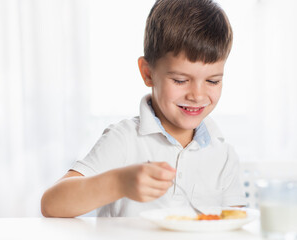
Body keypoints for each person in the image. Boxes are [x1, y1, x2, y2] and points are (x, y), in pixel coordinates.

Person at [41, 0, 246, 218]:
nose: (197, 95)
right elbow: (51, 205)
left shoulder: (223, 155)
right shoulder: (124, 140)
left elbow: (234, 224)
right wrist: (118, 183)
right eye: (179, 80)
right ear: (148, 73)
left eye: (213, 81)